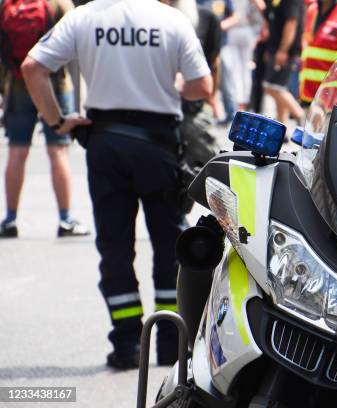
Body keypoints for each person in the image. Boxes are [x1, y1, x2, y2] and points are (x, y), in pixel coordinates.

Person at [22, 0, 212, 369]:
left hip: (106, 142)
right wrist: (171, 84)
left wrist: (57, 121)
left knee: (114, 246)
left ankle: (126, 344)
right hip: (158, 144)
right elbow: (201, 86)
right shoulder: (170, 19)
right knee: (169, 245)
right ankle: (171, 344)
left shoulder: (83, 17)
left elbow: (33, 67)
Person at [0, 0, 89, 238]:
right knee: (57, 151)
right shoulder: (58, 3)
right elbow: (77, 48)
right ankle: (65, 219)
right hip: (55, 81)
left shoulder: (8, 3)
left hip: (17, 82)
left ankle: (10, 219)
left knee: (17, 151)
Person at [263, 0, 306, 124]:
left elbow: (291, 23)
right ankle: (282, 127)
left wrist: (283, 50)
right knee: (279, 86)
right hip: (276, 48)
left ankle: (300, 115)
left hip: (285, 51)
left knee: (272, 87)